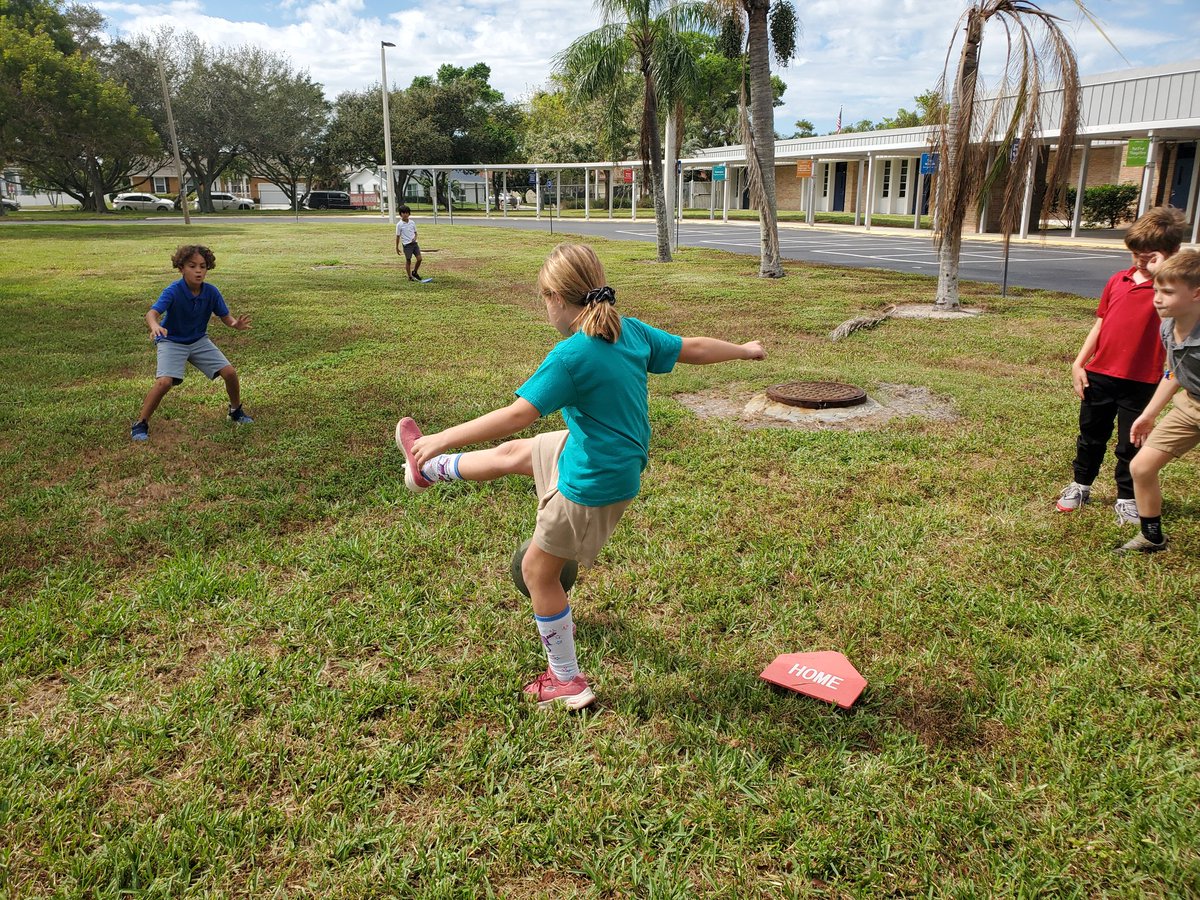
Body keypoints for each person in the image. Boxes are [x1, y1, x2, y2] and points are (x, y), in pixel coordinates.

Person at [395, 242, 766, 709]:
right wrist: (746, 350)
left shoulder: (571, 356)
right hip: (600, 453)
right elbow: (691, 347)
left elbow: (516, 415)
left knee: (537, 571)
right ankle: (428, 471)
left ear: (555, 297)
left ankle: (566, 681)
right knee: (517, 453)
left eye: (542, 298)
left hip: (594, 479)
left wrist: (445, 434)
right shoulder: (629, 332)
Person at [1055, 206, 1189, 523]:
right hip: (1100, 375)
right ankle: (1081, 485)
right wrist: (1079, 363)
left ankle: (1127, 498)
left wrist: (1167, 275)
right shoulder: (1119, 280)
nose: (1141, 261)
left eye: (1149, 255)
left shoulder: (1172, 291)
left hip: (1143, 381)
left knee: (1132, 442)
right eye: (1135, 254)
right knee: (1090, 435)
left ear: (1172, 253)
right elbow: (1101, 325)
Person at [1118, 251, 1200, 554]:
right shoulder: (1168, 326)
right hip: (1191, 405)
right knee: (1141, 467)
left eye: (1167, 292)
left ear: (1196, 294)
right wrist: (1149, 414)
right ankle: (1152, 538)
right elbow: (1174, 373)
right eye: (1156, 290)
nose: (1157, 298)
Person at [130, 245, 252, 442]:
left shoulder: (211, 292)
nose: (198, 271)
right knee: (164, 382)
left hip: (198, 340)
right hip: (171, 341)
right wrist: (155, 326)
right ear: (181, 268)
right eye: (192, 266)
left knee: (229, 372)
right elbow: (152, 313)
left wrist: (235, 324)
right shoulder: (173, 291)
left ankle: (235, 410)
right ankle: (140, 423)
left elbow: (226, 317)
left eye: (203, 266)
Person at [395, 204, 423, 281]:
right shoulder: (399, 225)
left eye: (407, 213)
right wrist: (397, 247)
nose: (405, 214)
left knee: (419, 259)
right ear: (400, 214)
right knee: (408, 260)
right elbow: (398, 236)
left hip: (414, 244)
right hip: (407, 245)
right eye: (403, 213)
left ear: (409, 213)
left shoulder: (412, 222)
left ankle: (415, 272)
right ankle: (410, 276)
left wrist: (415, 237)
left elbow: (416, 233)